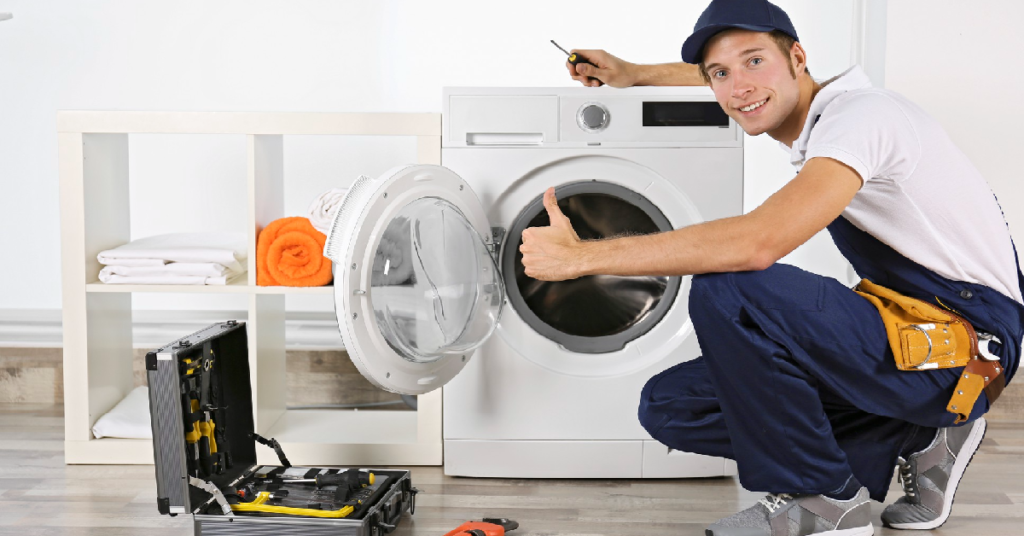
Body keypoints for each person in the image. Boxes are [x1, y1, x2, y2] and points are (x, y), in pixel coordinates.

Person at [519, 1, 1023, 535]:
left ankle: (829, 506)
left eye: (755, 62)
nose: (738, 87)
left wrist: (580, 258)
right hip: (908, 334)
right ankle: (919, 434)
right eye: (720, 74)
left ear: (798, 58)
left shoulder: (862, 119)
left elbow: (758, 243)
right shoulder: (822, 115)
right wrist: (634, 74)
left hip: (967, 342)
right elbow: (739, 76)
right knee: (671, 406)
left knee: (732, 286)